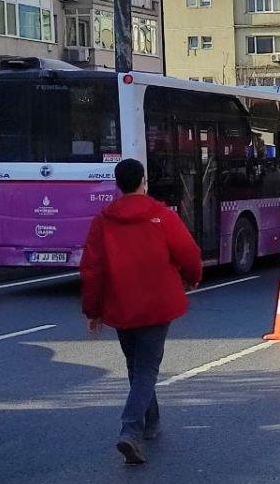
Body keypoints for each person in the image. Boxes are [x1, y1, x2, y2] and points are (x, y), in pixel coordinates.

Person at [80, 158, 203, 466]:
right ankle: (131, 430)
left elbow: (92, 269)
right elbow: (188, 253)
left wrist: (92, 310)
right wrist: (193, 277)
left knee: (137, 366)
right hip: (158, 303)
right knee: (146, 368)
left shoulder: (103, 222)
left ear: (118, 185)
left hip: (121, 304)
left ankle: (152, 423)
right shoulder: (161, 216)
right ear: (143, 182)